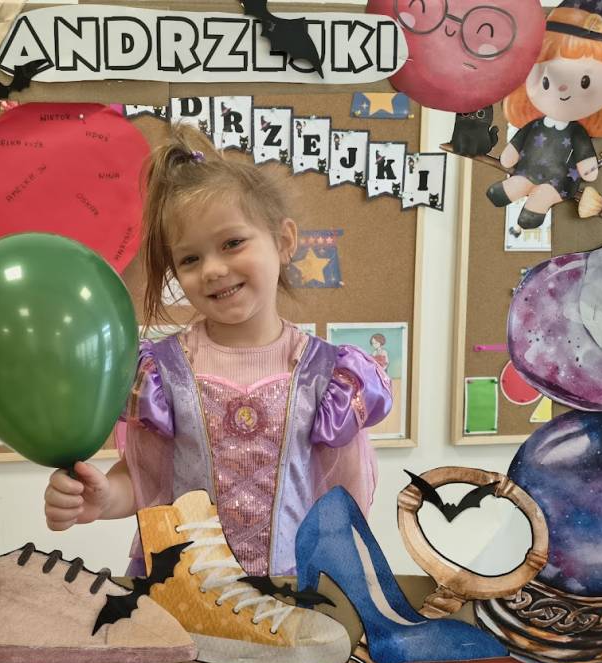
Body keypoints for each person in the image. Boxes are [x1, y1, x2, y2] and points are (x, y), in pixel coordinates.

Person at [44, 124, 392, 581]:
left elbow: (342, 504)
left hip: (290, 591)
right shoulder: (160, 375)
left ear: (284, 241)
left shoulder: (330, 378)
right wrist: (103, 498)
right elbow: (146, 482)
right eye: (190, 259)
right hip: (181, 592)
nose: (212, 269)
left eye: (232, 243)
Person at [487, 5, 602, 234]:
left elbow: (584, 155)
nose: (563, 90)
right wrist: (510, 155)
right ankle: (514, 189)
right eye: (547, 81)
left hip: (558, 181)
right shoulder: (535, 124)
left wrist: (588, 167)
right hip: (527, 171)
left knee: (544, 194)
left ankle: (534, 211)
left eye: (585, 82)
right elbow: (518, 142)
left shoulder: (576, 132)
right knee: (519, 182)